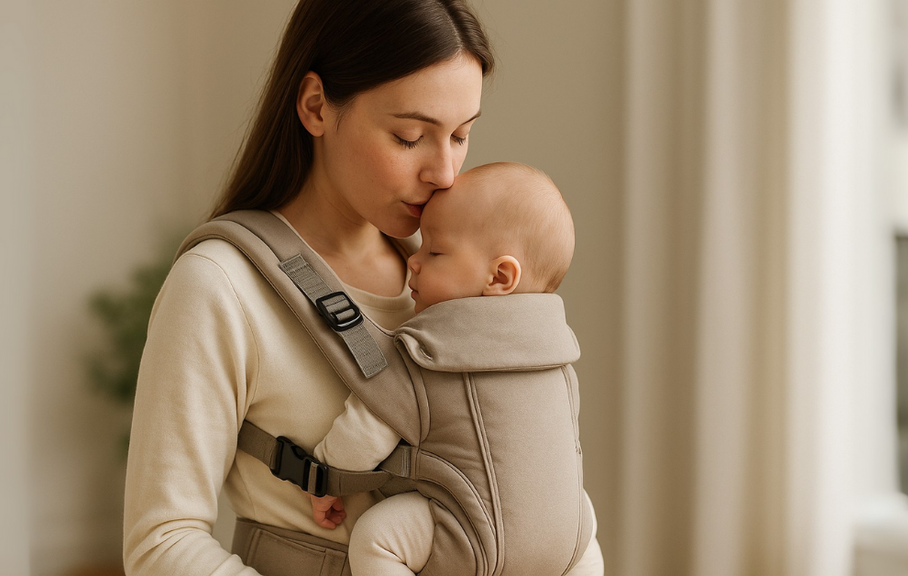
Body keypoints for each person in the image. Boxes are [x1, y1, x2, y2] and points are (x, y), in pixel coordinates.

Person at [122, 1, 604, 574]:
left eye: (461, 135)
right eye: (409, 137)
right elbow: (161, 543)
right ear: (316, 106)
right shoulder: (219, 287)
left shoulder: (457, 288)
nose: (445, 173)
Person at [308, 161, 603, 576]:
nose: (414, 260)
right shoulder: (559, 360)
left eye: (435, 250)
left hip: (469, 537)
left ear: (499, 276)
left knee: (376, 537)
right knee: (583, 519)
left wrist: (326, 477)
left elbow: (363, 433)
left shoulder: (424, 352)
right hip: (565, 540)